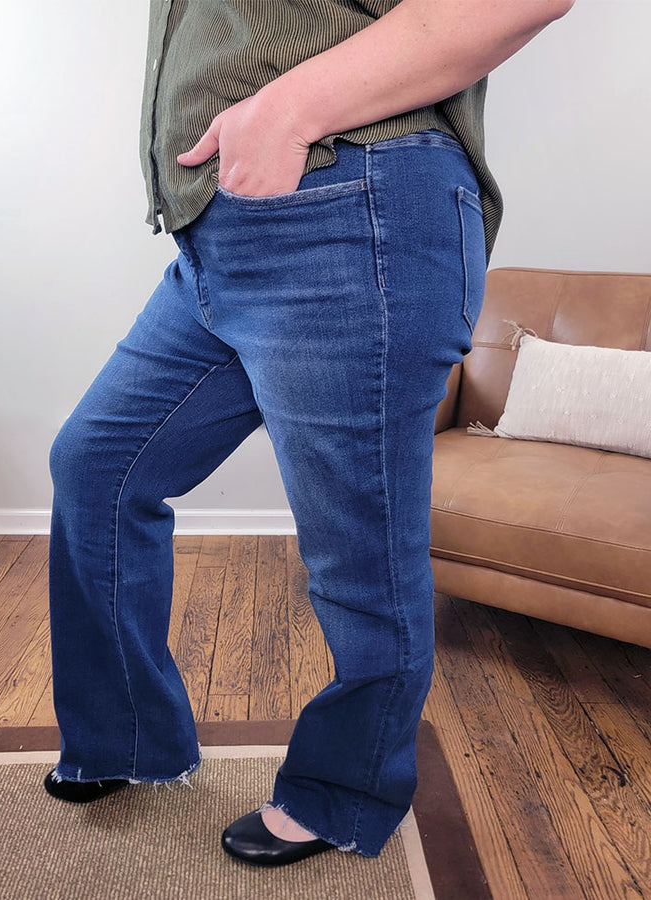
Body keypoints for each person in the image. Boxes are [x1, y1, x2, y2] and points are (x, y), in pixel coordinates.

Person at [43, 0, 575, 868]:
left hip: (351, 209)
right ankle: (126, 736)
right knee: (97, 464)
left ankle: (343, 790)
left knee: (356, 552)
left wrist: (286, 113)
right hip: (223, 238)